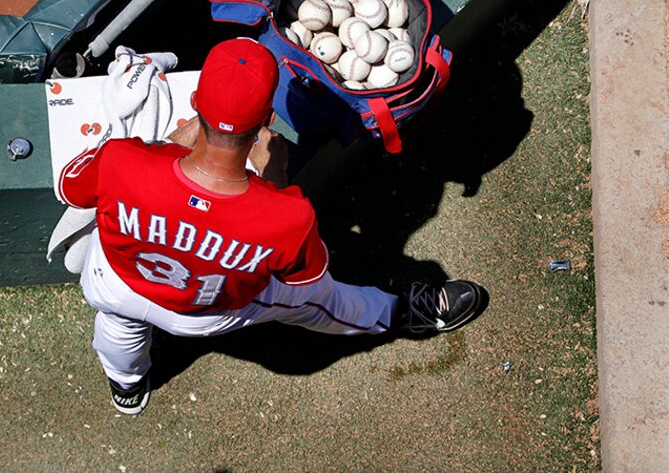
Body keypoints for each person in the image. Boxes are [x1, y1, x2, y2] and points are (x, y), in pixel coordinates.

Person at [58, 37, 483, 415]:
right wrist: (275, 178)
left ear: (193, 104)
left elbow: (71, 189)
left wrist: (166, 148)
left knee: (116, 326)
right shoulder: (286, 214)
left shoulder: (120, 160)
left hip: (115, 284)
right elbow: (308, 281)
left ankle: (126, 388)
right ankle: (401, 312)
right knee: (322, 301)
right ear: (267, 122)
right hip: (205, 312)